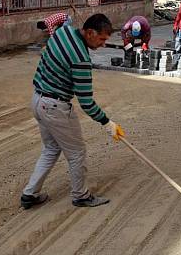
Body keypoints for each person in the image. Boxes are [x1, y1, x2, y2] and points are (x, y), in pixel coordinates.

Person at [21, 13, 126, 209]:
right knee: (77, 153)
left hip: (37, 100)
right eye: (101, 38)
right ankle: (81, 196)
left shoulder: (62, 32)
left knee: (51, 149)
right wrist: (107, 122)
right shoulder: (81, 59)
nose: (103, 44)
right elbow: (86, 102)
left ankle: (30, 194)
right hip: (55, 107)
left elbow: (58, 30)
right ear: (89, 32)